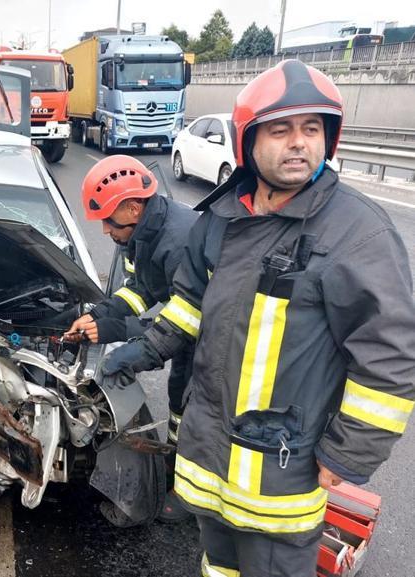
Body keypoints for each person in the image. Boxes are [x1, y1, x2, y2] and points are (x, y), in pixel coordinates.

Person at [97, 60, 415, 576]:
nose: (298, 143)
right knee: (217, 566)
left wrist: (347, 455)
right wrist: (146, 349)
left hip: (280, 477)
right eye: (281, 129)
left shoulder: (357, 234)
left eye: (311, 129)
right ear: (249, 141)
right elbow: (188, 305)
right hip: (212, 463)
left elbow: (391, 362)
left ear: (328, 139)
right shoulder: (221, 220)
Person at [63, 154, 197, 523]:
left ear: (134, 207)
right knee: (179, 403)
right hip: (187, 328)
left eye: (108, 220)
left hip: (217, 339)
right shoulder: (138, 237)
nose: (105, 230)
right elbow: (139, 291)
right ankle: (176, 468)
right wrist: (99, 316)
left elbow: (186, 320)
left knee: (199, 411)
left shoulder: (180, 240)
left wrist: (131, 350)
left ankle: (191, 496)